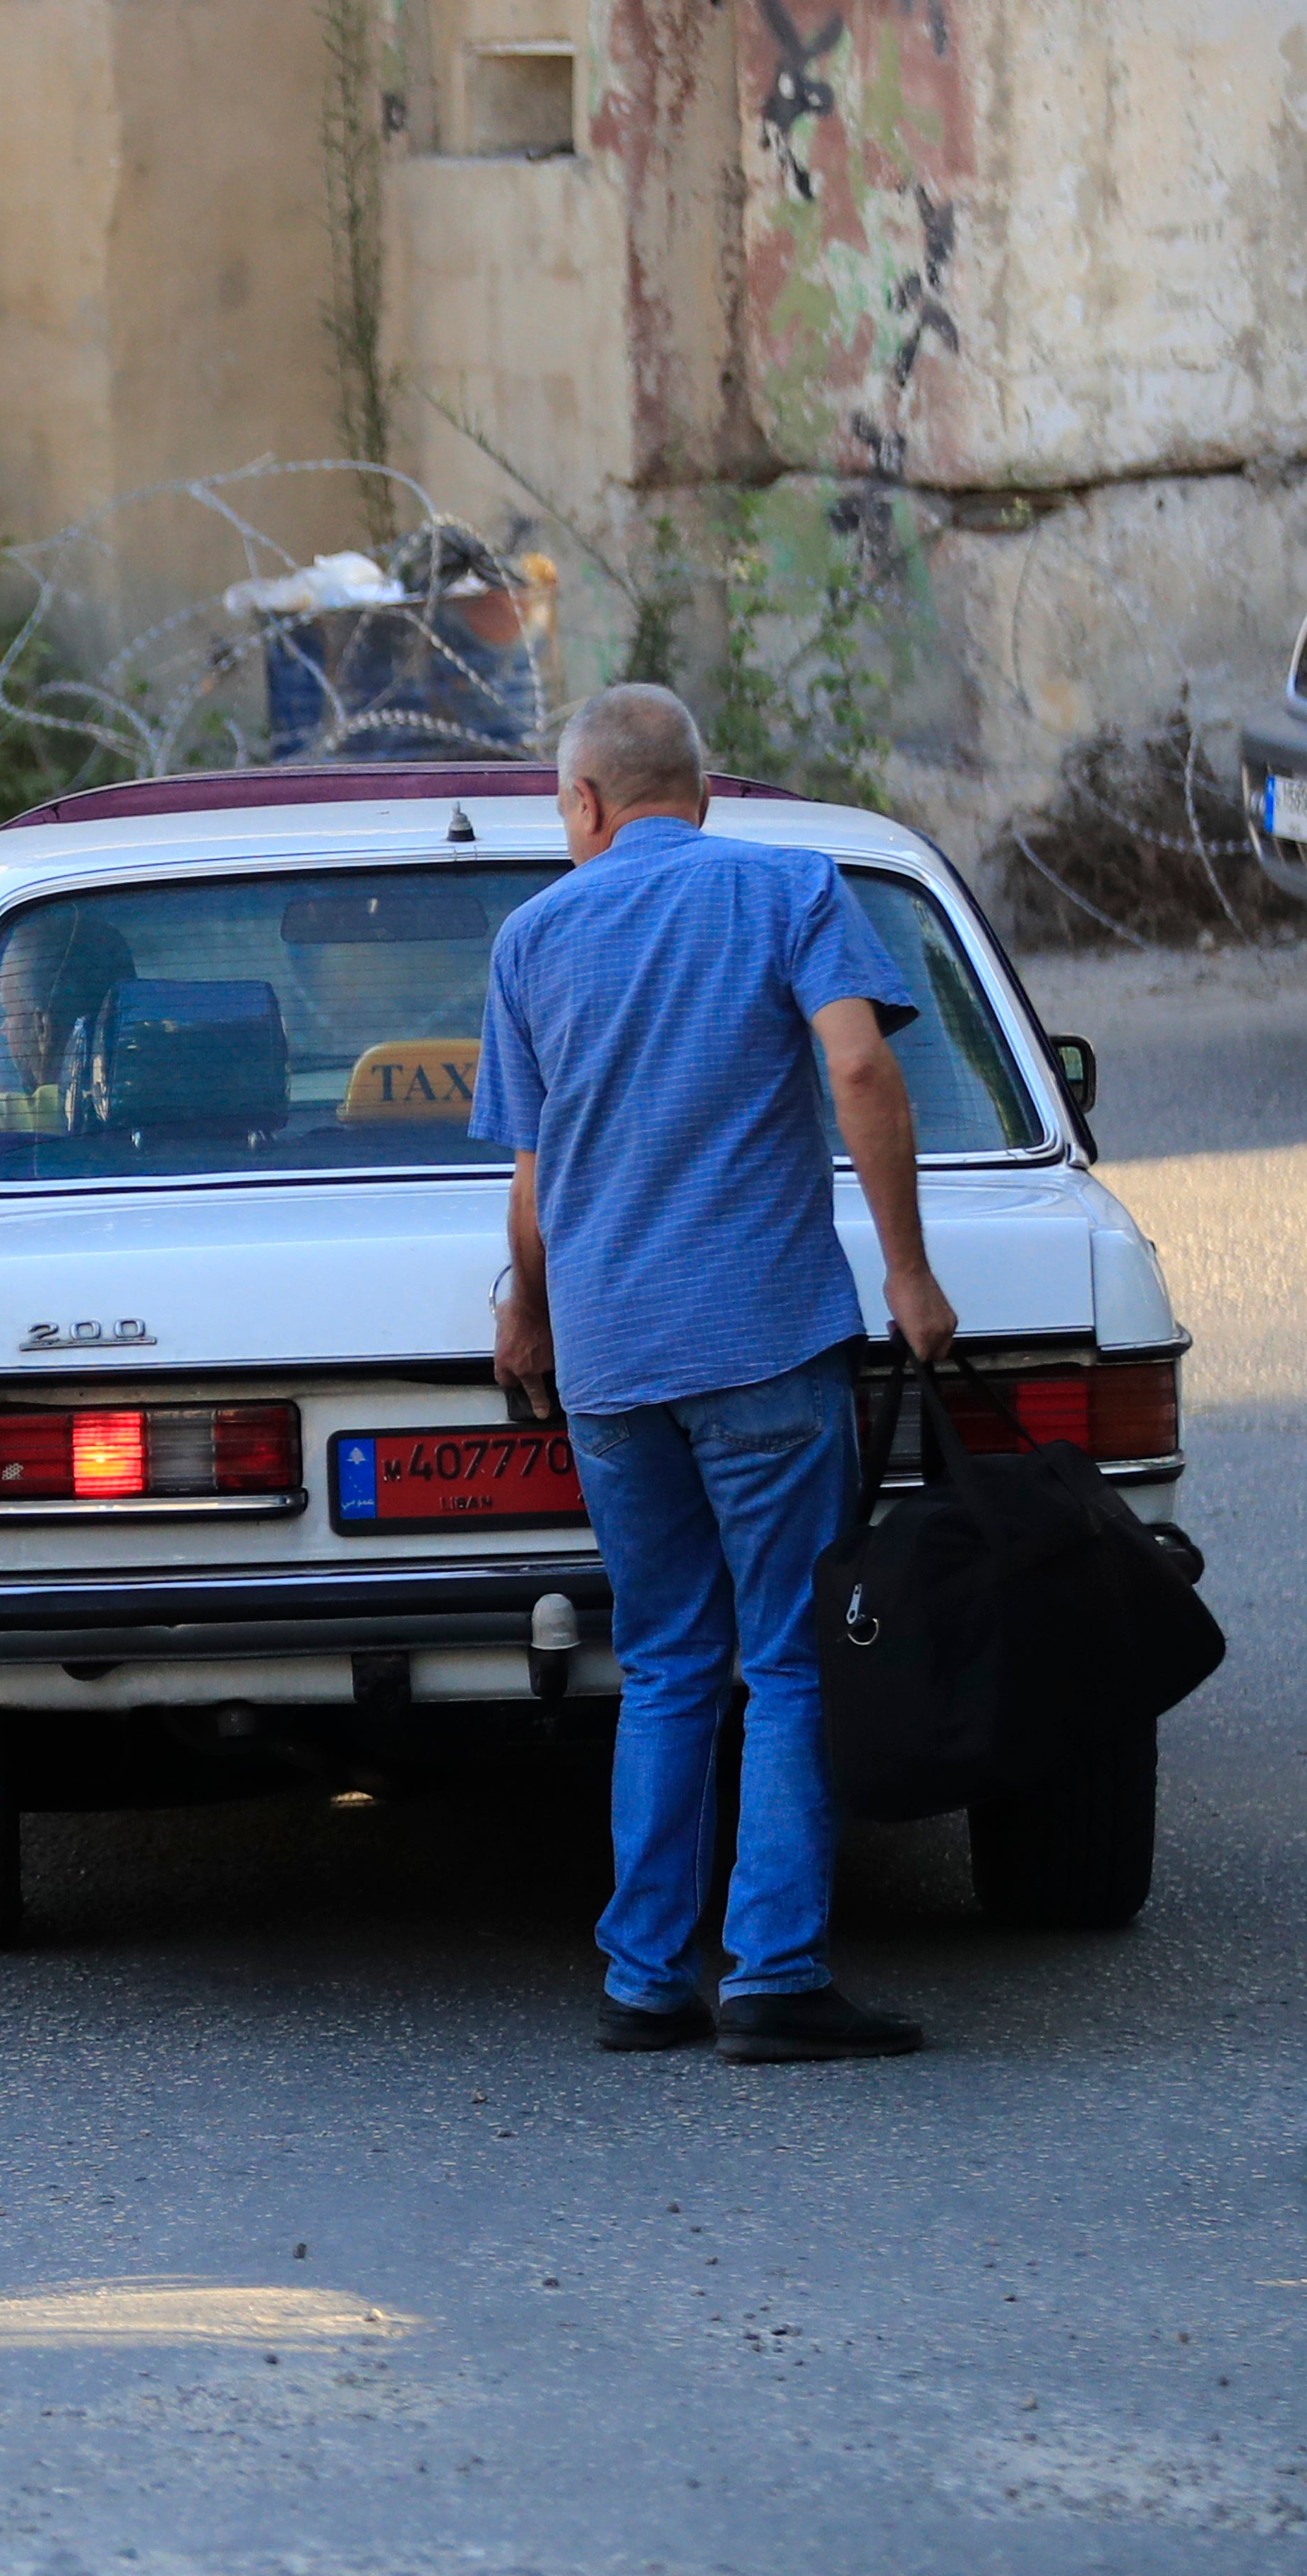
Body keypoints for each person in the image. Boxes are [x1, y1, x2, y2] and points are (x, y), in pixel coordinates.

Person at [475, 683, 956, 2063]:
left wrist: (529, 1316)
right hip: (763, 1341)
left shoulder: (530, 938)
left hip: (613, 1362)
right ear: (702, 790)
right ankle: (775, 1977)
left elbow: (533, 1181)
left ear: (583, 803)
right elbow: (858, 1071)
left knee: (667, 1660)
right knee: (790, 1657)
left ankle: (642, 1979)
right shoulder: (791, 889)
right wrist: (908, 1272)